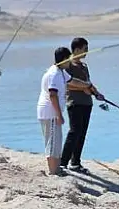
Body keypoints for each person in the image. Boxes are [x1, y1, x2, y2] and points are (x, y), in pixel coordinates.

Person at [36, 46, 92, 176]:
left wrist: (88, 85)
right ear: (64, 59)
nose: (70, 61)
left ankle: (56, 168)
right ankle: (53, 171)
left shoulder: (62, 72)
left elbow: (73, 81)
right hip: (50, 112)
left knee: (57, 141)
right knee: (52, 142)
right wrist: (59, 115)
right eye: (68, 59)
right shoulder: (54, 74)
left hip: (53, 112)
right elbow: (52, 95)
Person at [60, 37, 104, 174]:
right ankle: (62, 163)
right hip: (74, 103)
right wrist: (82, 89)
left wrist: (97, 94)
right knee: (74, 132)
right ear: (77, 49)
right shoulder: (68, 65)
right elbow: (67, 83)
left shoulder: (84, 66)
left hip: (87, 103)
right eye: (85, 49)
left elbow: (88, 83)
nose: (87, 52)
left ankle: (75, 162)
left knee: (82, 133)